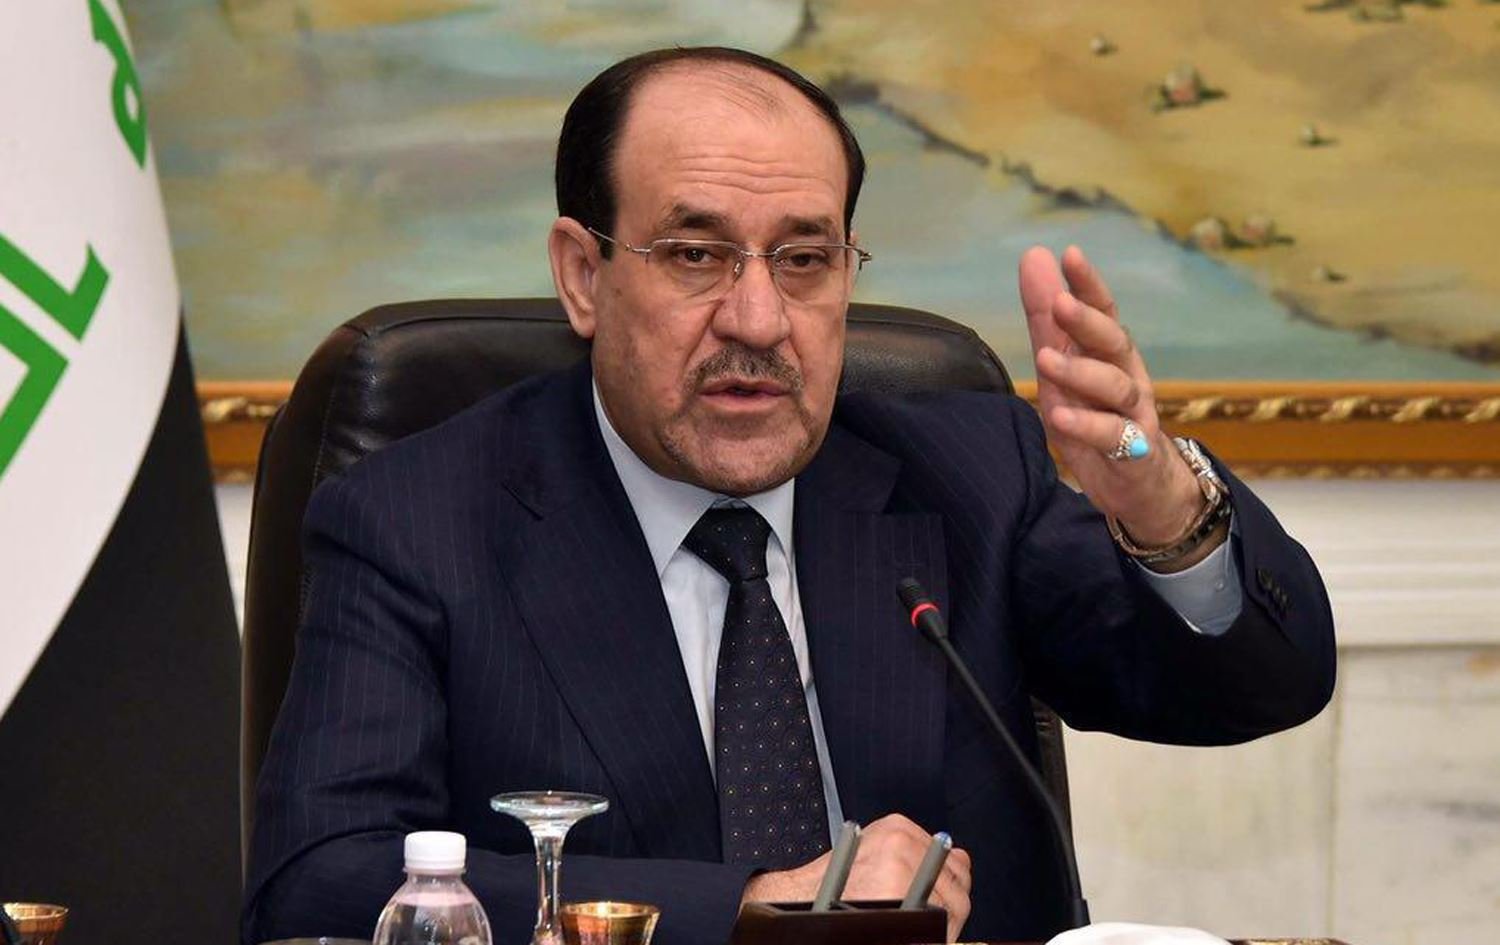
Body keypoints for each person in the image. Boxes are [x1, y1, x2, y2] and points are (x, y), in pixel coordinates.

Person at [243, 47, 1335, 945]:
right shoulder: (417, 522)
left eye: (805, 258)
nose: (759, 320)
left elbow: (1262, 689)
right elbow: (317, 883)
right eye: (695, 254)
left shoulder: (967, 477)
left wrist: (1158, 501)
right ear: (584, 275)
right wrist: (753, 910)